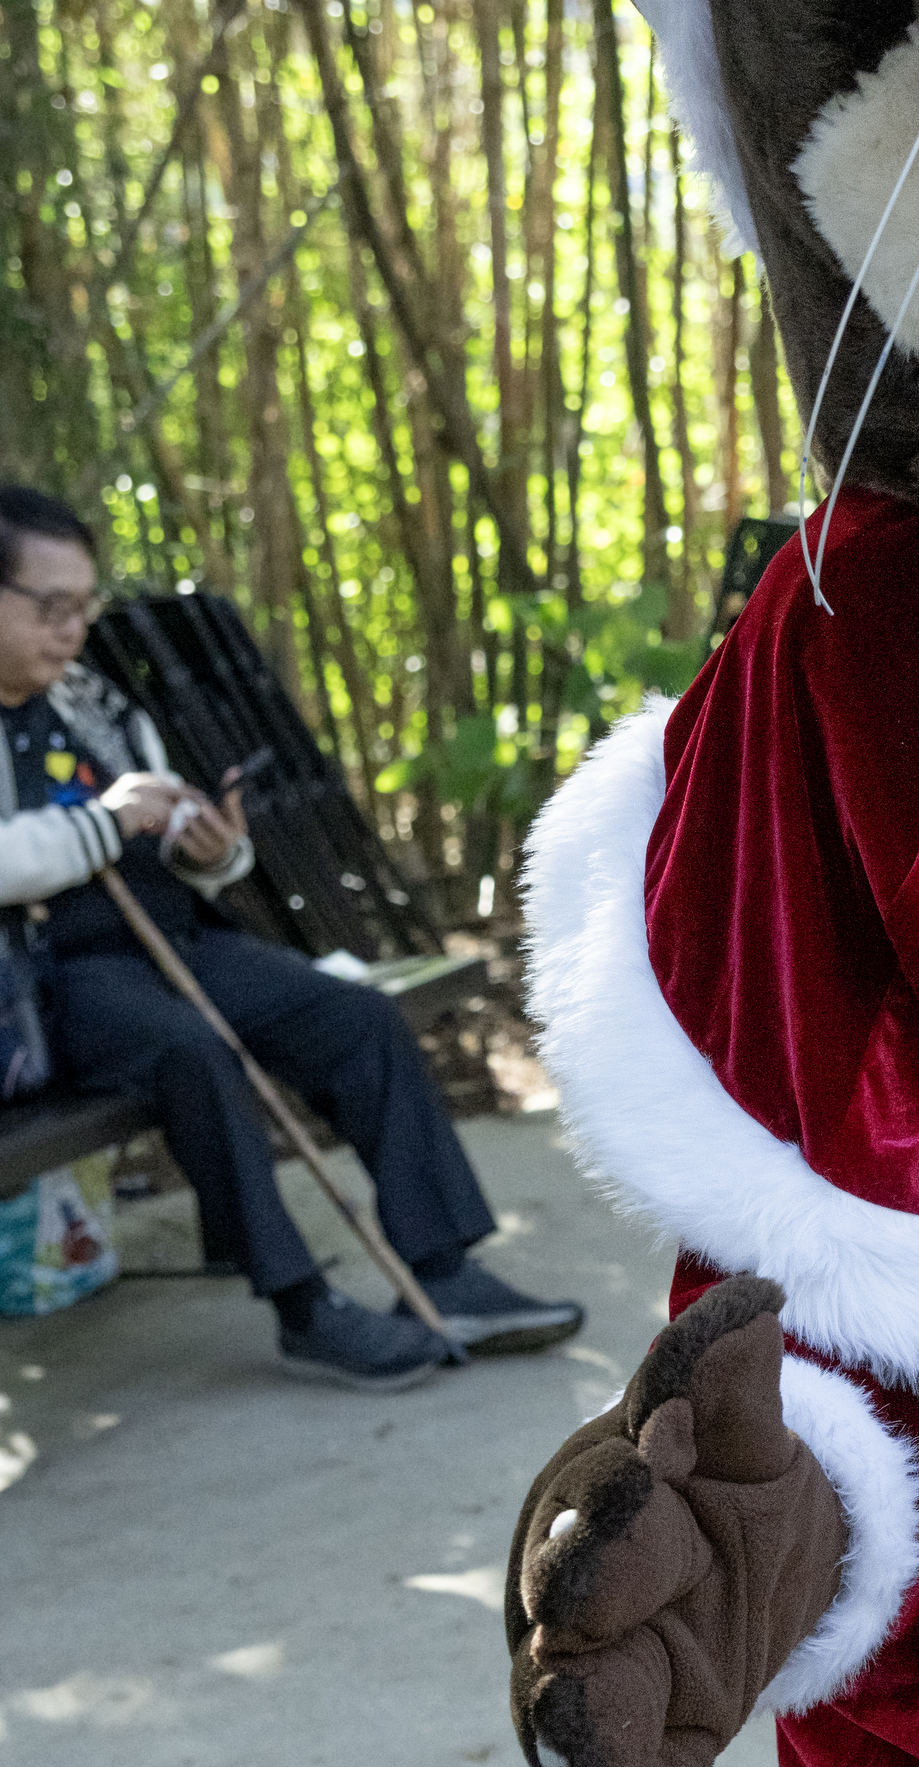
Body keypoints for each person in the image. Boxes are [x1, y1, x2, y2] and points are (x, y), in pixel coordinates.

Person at [0, 484, 583, 1384]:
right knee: (193, 1055)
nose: (73, 628)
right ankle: (304, 1307)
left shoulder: (91, 702)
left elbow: (165, 820)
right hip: (52, 983)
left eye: (84, 606)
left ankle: (441, 1268)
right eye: (50, 607)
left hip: (175, 939)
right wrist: (109, 824)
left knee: (355, 1017)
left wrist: (213, 851)